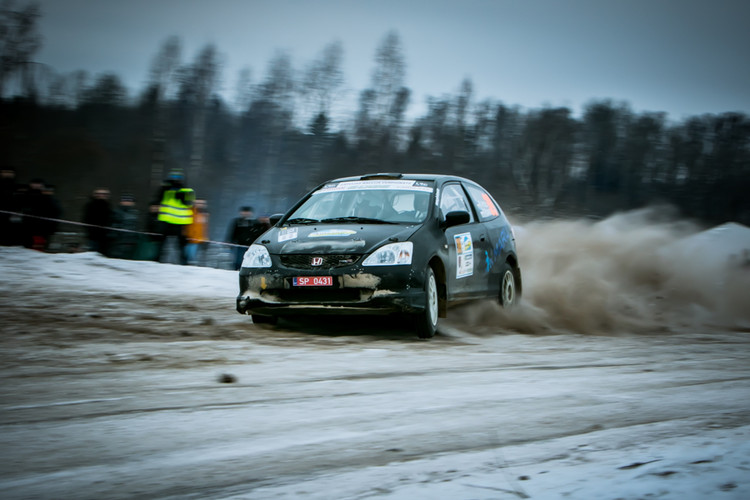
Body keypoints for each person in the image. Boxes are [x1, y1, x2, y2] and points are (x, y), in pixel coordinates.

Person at [154, 170, 195, 265]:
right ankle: (157, 260)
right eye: (174, 178)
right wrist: (164, 188)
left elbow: (189, 203)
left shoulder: (186, 190)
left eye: (178, 178)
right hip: (166, 221)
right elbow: (158, 199)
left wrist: (181, 196)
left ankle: (184, 263)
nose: (176, 180)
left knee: (181, 246)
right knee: (161, 244)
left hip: (180, 222)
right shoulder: (165, 188)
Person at [226, 206, 269, 270]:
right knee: (239, 260)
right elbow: (233, 232)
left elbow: (261, 232)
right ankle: (237, 270)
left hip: (251, 245)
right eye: (244, 212)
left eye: (247, 212)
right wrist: (230, 241)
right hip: (240, 244)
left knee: (251, 260)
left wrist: (265, 223)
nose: (246, 213)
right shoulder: (237, 222)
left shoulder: (255, 222)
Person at [82, 187, 113, 255]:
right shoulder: (90, 205)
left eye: (104, 194)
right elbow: (86, 219)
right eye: (99, 194)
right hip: (93, 234)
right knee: (93, 253)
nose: (101, 195)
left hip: (105, 235)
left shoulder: (108, 205)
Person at [109, 194, 140, 259]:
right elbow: (113, 226)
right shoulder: (116, 212)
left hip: (131, 242)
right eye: (125, 200)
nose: (127, 202)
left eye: (129, 201)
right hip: (118, 242)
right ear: (121, 202)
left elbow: (136, 227)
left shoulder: (135, 213)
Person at [0, 166, 23, 245]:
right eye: (5, 172)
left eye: (10, 173)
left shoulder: (17, 187)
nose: (7, 174)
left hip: (13, 214)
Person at [184, 198, 210, 266]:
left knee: (192, 258)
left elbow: (205, 227)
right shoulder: (189, 211)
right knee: (187, 257)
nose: (200, 205)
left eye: (202, 203)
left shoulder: (205, 214)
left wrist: (205, 237)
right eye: (198, 203)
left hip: (199, 239)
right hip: (189, 238)